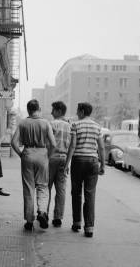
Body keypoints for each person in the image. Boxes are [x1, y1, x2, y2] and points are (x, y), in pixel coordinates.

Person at [11, 99, 56, 231]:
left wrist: (21, 155)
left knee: (28, 188)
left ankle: (29, 221)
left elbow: (14, 142)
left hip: (27, 154)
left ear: (28, 109)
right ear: (39, 109)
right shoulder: (45, 123)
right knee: (42, 186)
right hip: (42, 155)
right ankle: (42, 211)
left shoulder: (23, 123)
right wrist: (48, 156)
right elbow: (53, 144)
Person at [64, 102, 105, 238]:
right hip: (93, 162)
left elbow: (72, 146)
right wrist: (103, 165)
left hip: (78, 161)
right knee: (90, 195)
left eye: (77, 110)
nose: (76, 113)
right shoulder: (97, 126)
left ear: (82, 111)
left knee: (76, 193)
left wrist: (66, 164)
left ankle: (77, 223)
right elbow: (101, 147)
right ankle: (89, 228)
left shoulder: (76, 125)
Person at [47, 101, 71, 228]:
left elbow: (48, 143)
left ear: (59, 111)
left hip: (51, 158)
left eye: (53, 110)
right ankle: (58, 218)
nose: (51, 113)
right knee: (61, 189)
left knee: (47, 187)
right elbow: (72, 145)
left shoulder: (51, 124)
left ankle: (44, 214)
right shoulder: (69, 126)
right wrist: (68, 162)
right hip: (64, 158)